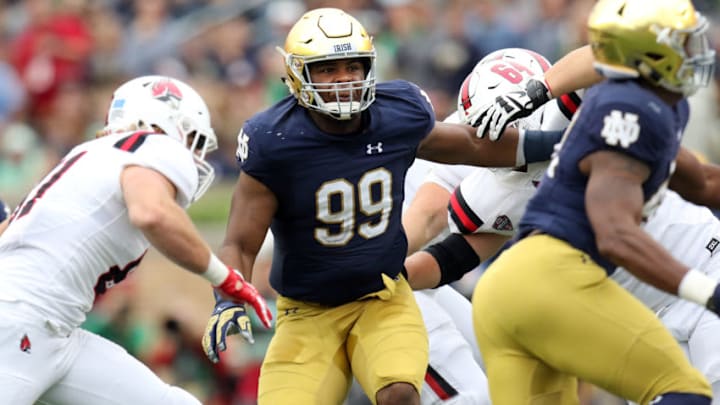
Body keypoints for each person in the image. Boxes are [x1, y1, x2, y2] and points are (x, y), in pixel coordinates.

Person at [199, 7, 565, 405]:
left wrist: (563, 142)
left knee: (402, 394)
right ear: (296, 75)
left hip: (382, 298)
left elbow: (474, 147)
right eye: (327, 70)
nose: (343, 81)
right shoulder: (273, 139)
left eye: (352, 66)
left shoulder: (397, 114)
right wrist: (229, 296)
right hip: (307, 312)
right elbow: (241, 240)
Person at [403, 48, 720, 403]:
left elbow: (605, 54)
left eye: (503, 120)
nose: (495, 134)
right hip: (645, 315)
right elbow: (454, 257)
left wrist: (538, 90)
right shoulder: (496, 189)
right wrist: (385, 273)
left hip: (704, 266)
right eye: (486, 125)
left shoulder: (603, 118)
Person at [0, 75, 272, 405]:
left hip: (53, 330)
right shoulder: (157, 147)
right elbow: (151, 213)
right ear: (168, 122)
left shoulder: (90, 154)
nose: (193, 154)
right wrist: (224, 277)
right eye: (191, 137)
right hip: (22, 322)